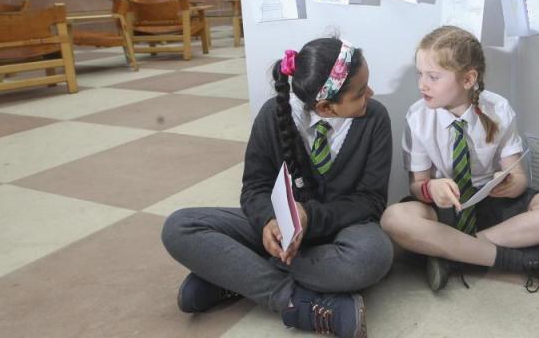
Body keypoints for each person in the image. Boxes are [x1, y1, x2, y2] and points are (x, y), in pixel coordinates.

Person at [162, 38, 393, 338]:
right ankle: (294, 301)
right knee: (179, 227)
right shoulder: (273, 115)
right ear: (326, 106)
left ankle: (233, 275)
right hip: (280, 237)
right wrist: (269, 221)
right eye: (361, 93)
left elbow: (370, 201)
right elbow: (254, 187)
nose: (371, 95)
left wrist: (308, 216)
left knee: (373, 257)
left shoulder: (375, 118)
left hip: (342, 231)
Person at [381, 26, 539, 292]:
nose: (422, 84)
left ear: (468, 80)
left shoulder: (498, 109)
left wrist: (511, 183)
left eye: (433, 76)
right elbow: (417, 185)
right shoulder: (418, 117)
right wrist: (431, 188)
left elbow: (520, 178)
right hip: (448, 206)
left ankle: (452, 252)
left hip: (493, 203)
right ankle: (517, 259)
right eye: (420, 74)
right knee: (393, 219)